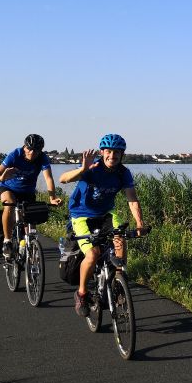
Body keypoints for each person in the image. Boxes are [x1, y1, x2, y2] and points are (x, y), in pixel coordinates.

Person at [60, 133, 144, 317]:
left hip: (106, 213)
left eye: (117, 152)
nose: (112, 156)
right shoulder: (92, 168)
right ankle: (82, 294)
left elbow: (132, 199)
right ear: (102, 152)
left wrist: (139, 223)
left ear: (122, 155)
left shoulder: (123, 172)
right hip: (81, 215)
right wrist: (83, 169)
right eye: (109, 152)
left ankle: (119, 280)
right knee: (93, 254)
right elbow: (63, 179)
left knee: (120, 237)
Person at [0, 134, 62, 259]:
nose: (32, 152)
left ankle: (30, 244)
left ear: (40, 151)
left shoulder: (42, 158)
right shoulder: (15, 155)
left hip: (27, 191)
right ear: (24, 147)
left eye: (36, 150)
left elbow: (48, 178)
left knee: (30, 221)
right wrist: (2, 177)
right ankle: (7, 241)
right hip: (8, 188)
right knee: (9, 205)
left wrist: (52, 198)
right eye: (29, 148)